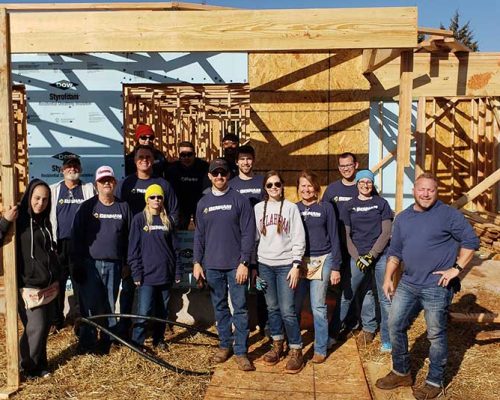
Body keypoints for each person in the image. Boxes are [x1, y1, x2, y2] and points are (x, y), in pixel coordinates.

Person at [376, 173, 479, 400]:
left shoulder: (448, 215)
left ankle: (434, 381)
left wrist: (456, 269)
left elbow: (471, 242)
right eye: (421, 189)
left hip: (436, 286)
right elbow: (395, 252)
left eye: (430, 190)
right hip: (409, 283)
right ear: (414, 190)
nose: (425, 194)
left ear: (437, 191)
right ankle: (401, 371)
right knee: (394, 324)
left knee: (435, 334)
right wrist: (387, 279)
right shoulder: (403, 218)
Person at [193, 158, 256, 372]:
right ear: (210, 176)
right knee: (219, 307)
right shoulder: (203, 203)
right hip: (212, 266)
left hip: (235, 266)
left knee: (239, 308)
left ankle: (241, 351)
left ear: (228, 175)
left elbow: (248, 233)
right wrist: (197, 262)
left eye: (223, 172)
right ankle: (224, 345)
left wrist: (244, 262)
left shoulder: (240, 200)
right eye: (215, 173)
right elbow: (199, 235)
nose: (219, 176)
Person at [116, 144, 179, 336]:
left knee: (158, 300)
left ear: (153, 160)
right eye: (140, 157)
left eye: (148, 157)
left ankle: (156, 334)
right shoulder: (126, 183)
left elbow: (175, 210)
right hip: (131, 246)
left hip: (156, 248)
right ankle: (125, 331)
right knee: (129, 289)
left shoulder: (163, 184)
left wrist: (163, 226)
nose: (144, 160)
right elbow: (117, 209)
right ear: (134, 161)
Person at [72, 166, 132, 353]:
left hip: (114, 264)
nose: (106, 183)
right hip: (91, 264)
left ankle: (108, 339)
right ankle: (87, 341)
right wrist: (78, 263)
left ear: (114, 183)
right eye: (102, 180)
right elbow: (77, 236)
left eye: (110, 180)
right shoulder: (88, 207)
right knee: (90, 304)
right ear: (97, 184)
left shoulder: (123, 206)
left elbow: (130, 237)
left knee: (109, 303)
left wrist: (126, 263)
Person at [330, 170, 393, 351]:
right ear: (357, 184)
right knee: (348, 295)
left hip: (380, 256)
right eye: (362, 182)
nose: (365, 185)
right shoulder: (349, 205)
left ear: (372, 185)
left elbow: (386, 232)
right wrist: (358, 258)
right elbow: (346, 235)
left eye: (369, 182)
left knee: (385, 297)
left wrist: (371, 256)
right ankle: (333, 334)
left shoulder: (381, 204)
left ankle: (387, 339)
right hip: (358, 257)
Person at [254, 171, 306, 374]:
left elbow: (298, 238)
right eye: (269, 185)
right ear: (265, 188)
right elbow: (254, 239)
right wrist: (254, 269)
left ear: (283, 186)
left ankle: (296, 349)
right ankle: (277, 344)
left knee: (287, 310)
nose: (274, 188)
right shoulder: (258, 209)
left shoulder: (291, 208)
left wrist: (295, 265)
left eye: (277, 184)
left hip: (286, 265)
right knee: (272, 307)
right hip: (265, 265)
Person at [294, 170, 341, 363]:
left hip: (322, 259)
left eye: (309, 185)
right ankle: (294, 345)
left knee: (318, 306)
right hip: (299, 262)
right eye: (302, 185)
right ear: (298, 189)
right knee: (294, 305)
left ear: (316, 188)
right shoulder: (293, 208)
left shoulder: (326, 207)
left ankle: (320, 348)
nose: (306, 189)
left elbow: (335, 237)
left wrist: (336, 266)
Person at [14, 179, 60, 379]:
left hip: (48, 284)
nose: (40, 203)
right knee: (36, 326)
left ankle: (41, 364)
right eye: (37, 198)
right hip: (29, 286)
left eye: (45, 199)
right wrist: (6, 220)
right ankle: (26, 366)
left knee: (44, 326)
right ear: (29, 197)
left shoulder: (44, 222)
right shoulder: (19, 221)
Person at [128, 184, 182, 350]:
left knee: (162, 312)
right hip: (146, 276)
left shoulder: (168, 220)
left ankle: (159, 340)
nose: (156, 200)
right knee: (143, 313)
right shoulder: (139, 219)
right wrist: (136, 273)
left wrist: (178, 271)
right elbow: (133, 249)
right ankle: (137, 343)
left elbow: (175, 249)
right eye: (152, 197)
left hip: (165, 274)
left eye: (159, 197)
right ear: (147, 200)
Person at [49, 156, 95, 330]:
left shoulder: (88, 189)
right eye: (68, 166)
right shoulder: (53, 190)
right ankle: (56, 321)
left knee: (80, 283)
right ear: (62, 170)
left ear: (80, 169)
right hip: (59, 244)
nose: (72, 169)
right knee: (57, 284)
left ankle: (80, 319)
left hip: (81, 245)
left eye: (75, 166)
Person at [165, 141, 208, 229]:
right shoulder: (172, 170)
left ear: (195, 154)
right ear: (179, 155)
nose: (186, 157)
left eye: (189, 154)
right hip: (180, 207)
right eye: (183, 155)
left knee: (204, 231)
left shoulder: (204, 167)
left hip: (200, 205)